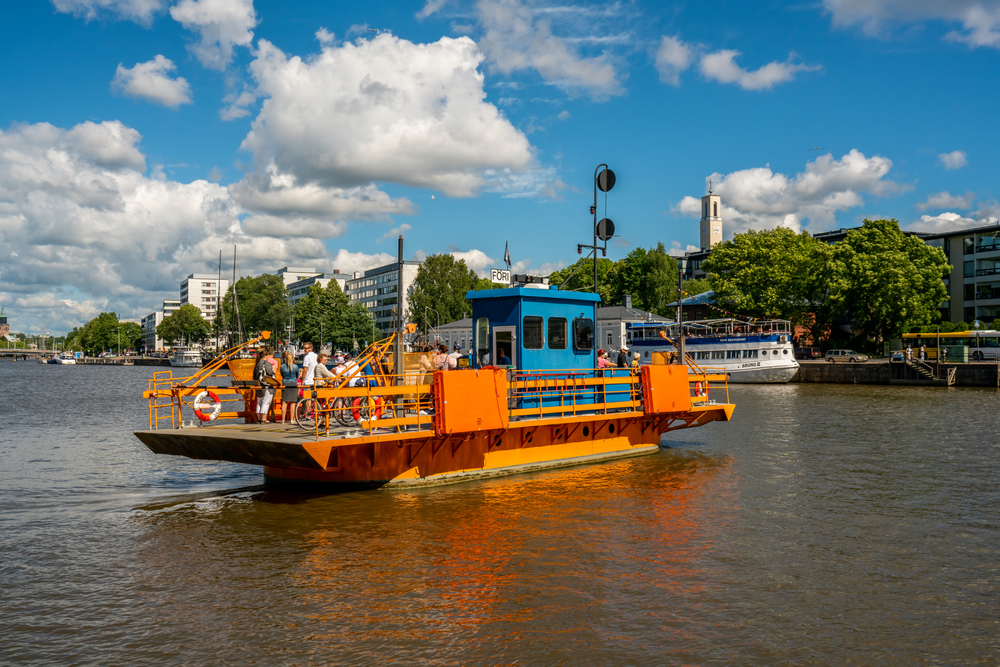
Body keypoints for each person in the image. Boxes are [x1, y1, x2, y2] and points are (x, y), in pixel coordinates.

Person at [254, 348, 276, 423]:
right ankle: (263, 419)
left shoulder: (257, 363)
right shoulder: (266, 363)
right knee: (266, 402)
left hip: (258, 385)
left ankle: (259, 418)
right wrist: (274, 370)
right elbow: (270, 373)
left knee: (259, 402)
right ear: (266, 356)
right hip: (266, 385)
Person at [279, 350, 299, 424]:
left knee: (284, 402)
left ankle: (283, 420)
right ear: (293, 358)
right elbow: (297, 375)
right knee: (292, 403)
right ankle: (291, 419)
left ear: (285, 358)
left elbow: (282, 375)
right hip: (293, 383)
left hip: (285, 383)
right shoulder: (295, 366)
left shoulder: (282, 366)